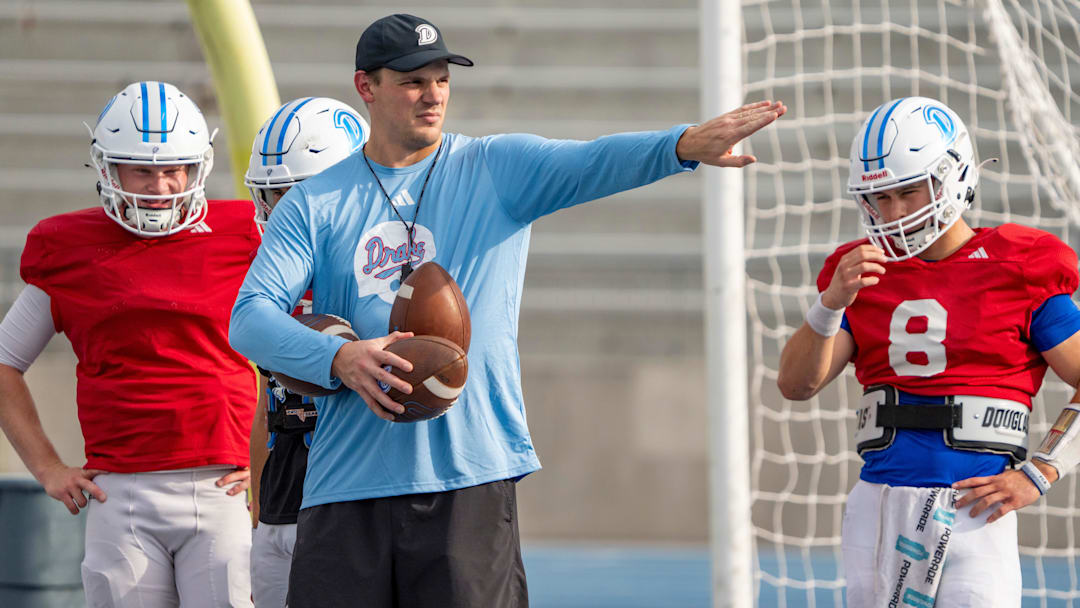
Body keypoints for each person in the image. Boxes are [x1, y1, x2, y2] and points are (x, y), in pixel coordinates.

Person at [229, 13, 785, 608]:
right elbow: (250, 317)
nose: (432, 94)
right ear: (366, 87)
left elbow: (593, 161)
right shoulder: (314, 202)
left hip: (469, 477)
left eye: (441, 79)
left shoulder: (494, 168)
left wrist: (679, 146)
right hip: (345, 484)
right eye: (413, 81)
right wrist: (337, 356)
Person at [777, 96, 1080, 606]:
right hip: (877, 506)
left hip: (975, 510)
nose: (892, 213)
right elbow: (796, 385)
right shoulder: (858, 273)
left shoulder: (1020, 264)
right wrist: (830, 304)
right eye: (881, 199)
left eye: (909, 193)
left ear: (951, 177)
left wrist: (1041, 472)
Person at [0, 81, 259, 607]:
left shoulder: (245, 232)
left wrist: (271, 453)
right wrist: (47, 466)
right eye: (142, 169)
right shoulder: (67, 246)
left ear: (197, 167)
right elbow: (4, 360)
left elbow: (312, 344)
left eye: (173, 169)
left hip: (222, 486)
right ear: (107, 168)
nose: (161, 186)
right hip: (122, 489)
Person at [243, 96, 369, 608]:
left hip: (351, 500)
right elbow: (266, 403)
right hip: (281, 496)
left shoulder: (380, 276)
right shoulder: (272, 285)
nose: (277, 213)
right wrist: (256, 502)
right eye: (270, 196)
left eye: (293, 195)